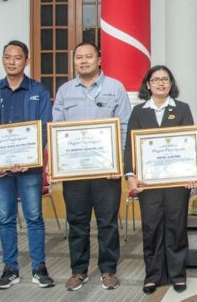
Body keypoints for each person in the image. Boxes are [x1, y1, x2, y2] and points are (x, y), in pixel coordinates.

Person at [52, 42, 131, 291]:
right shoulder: (65, 91)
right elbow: (56, 129)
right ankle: (79, 270)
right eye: (79, 57)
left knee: (107, 222)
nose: (83, 61)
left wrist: (117, 163)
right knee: (77, 221)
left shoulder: (115, 88)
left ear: (99, 58)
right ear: (74, 61)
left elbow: (125, 127)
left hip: (107, 171)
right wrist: (58, 164)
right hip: (74, 172)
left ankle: (108, 270)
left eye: (89, 56)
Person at [0, 40, 54, 289]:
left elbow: (44, 126)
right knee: (6, 217)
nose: (12, 61)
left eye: (17, 57)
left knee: (34, 217)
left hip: (29, 168)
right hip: (0, 170)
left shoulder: (38, 90)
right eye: (7, 57)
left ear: (26, 61)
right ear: (3, 60)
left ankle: (38, 268)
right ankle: (10, 268)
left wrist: (29, 157)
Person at [123, 65, 194, 295]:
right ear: (148, 84)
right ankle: (153, 275)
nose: (161, 83)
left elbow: (190, 144)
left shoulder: (182, 109)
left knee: (176, 226)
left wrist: (193, 173)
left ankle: (177, 274)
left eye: (166, 79)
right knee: (151, 228)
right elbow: (130, 147)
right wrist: (130, 175)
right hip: (148, 183)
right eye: (156, 79)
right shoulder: (139, 112)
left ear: (171, 84)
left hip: (176, 182)